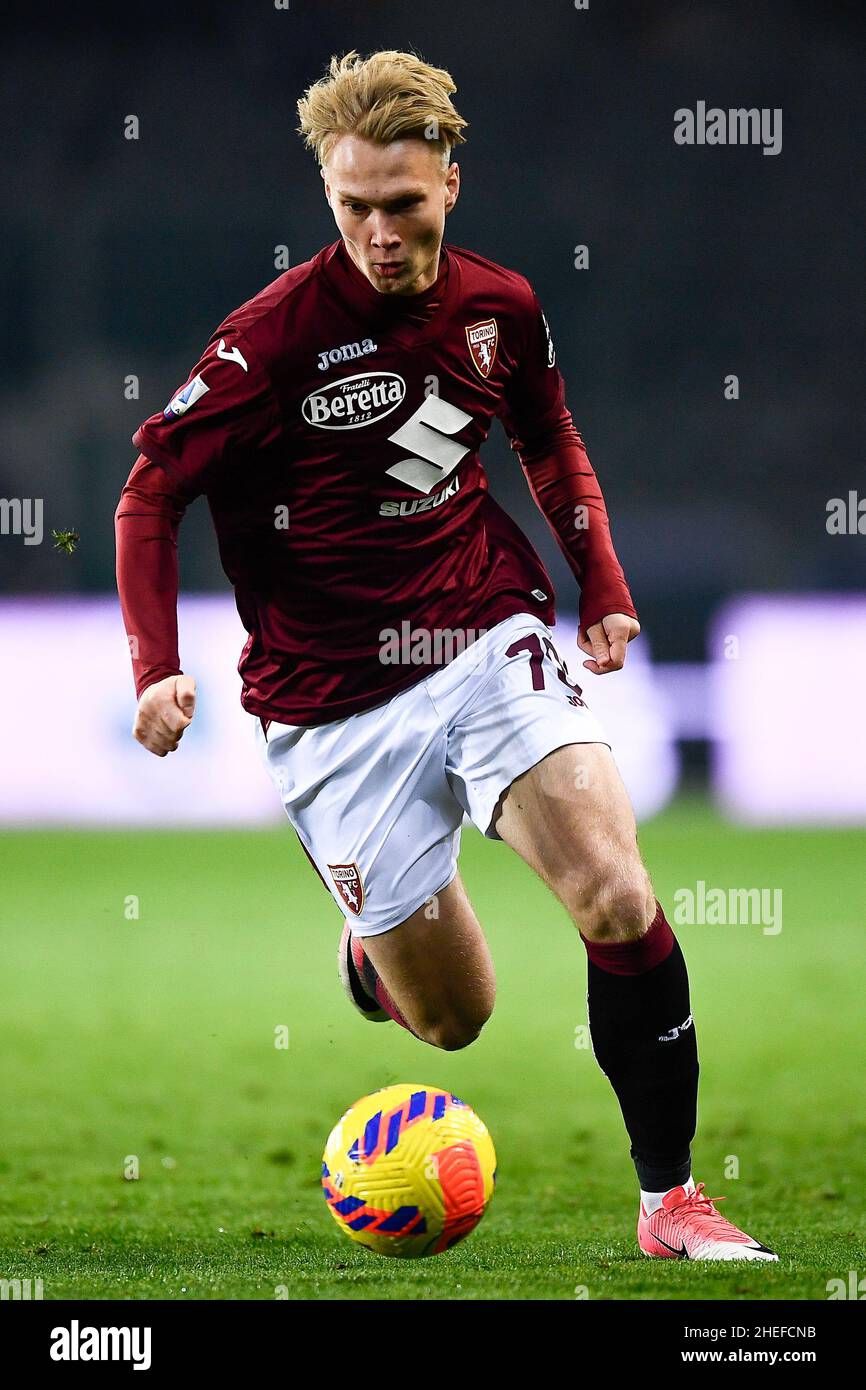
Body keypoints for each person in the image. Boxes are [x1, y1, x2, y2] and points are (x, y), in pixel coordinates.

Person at [115, 48, 776, 1262]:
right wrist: (154, 663)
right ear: (328, 193)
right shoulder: (265, 345)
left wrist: (603, 587)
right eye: (352, 205)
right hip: (327, 707)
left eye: (401, 203)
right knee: (453, 1021)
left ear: (450, 185)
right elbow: (149, 491)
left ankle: (668, 1201)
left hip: (484, 634)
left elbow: (547, 435)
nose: (376, 230)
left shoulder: (501, 307)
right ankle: (374, 958)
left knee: (616, 895)